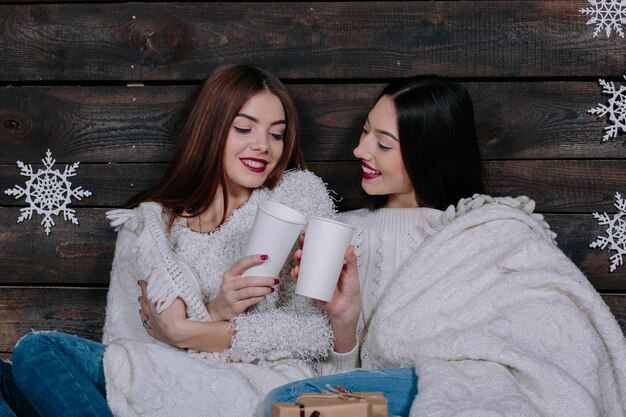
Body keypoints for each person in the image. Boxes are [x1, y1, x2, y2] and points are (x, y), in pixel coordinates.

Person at [264, 75, 626, 417]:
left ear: (430, 152)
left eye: (383, 143)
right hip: (375, 401)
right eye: (364, 131)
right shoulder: (338, 233)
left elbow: (555, 340)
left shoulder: (488, 234)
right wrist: (344, 322)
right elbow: (325, 385)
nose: (360, 150)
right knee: (282, 402)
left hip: (471, 395)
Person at [4, 64, 336, 417]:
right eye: (243, 128)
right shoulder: (151, 228)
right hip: (165, 384)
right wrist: (215, 312)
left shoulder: (299, 195)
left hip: (257, 384)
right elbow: (126, 347)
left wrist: (184, 332)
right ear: (210, 130)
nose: (262, 146)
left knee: (39, 352)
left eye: (277, 134)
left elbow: (316, 331)